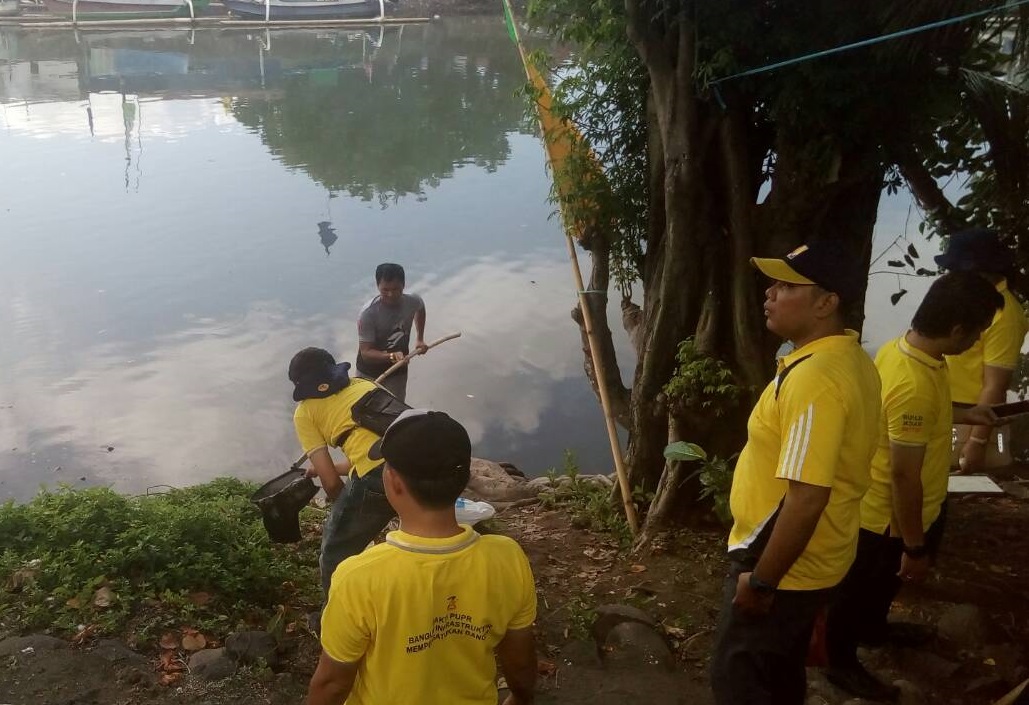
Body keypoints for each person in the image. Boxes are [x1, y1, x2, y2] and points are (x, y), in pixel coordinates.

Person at [710, 242, 882, 705]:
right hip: (819, 555)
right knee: (781, 667)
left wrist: (762, 581)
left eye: (787, 285)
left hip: (785, 565)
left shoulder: (816, 379)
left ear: (826, 303)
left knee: (737, 680)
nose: (769, 293)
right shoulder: (851, 360)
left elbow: (807, 497)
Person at [824, 272, 1004, 699]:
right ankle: (839, 662)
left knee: (883, 585)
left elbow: (921, 416)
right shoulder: (912, 382)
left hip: (911, 508)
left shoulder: (905, 351)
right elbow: (903, 475)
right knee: (860, 587)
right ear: (958, 329)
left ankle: (874, 629)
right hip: (886, 518)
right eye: (977, 332)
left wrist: (968, 413)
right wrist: (914, 545)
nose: (977, 342)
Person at [305, 409, 538, 705]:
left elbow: (331, 684)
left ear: (393, 481)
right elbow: (519, 658)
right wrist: (521, 698)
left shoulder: (358, 577)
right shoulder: (507, 557)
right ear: (464, 478)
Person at [289, 347, 398, 595]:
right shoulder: (363, 384)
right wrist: (336, 470)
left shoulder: (304, 412)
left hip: (381, 477)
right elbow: (371, 451)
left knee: (333, 553)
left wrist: (344, 509)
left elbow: (330, 484)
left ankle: (336, 616)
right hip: (418, 456)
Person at [936, 228, 1028, 473]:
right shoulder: (969, 300)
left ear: (979, 271)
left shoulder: (1005, 314)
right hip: (946, 408)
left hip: (973, 417)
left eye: (957, 270)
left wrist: (977, 441)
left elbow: (995, 385)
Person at [355, 263, 427, 402]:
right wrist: (391, 356)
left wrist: (420, 338)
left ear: (404, 285)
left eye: (396, 289)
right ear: (377, 286)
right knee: (364, 411)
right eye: (385, 290)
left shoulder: (412, 301)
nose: (391, 294)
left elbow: (421, 308)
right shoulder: (368, 313)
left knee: (397, 409)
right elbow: (366, 353)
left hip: (398, 369)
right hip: (369, 373)